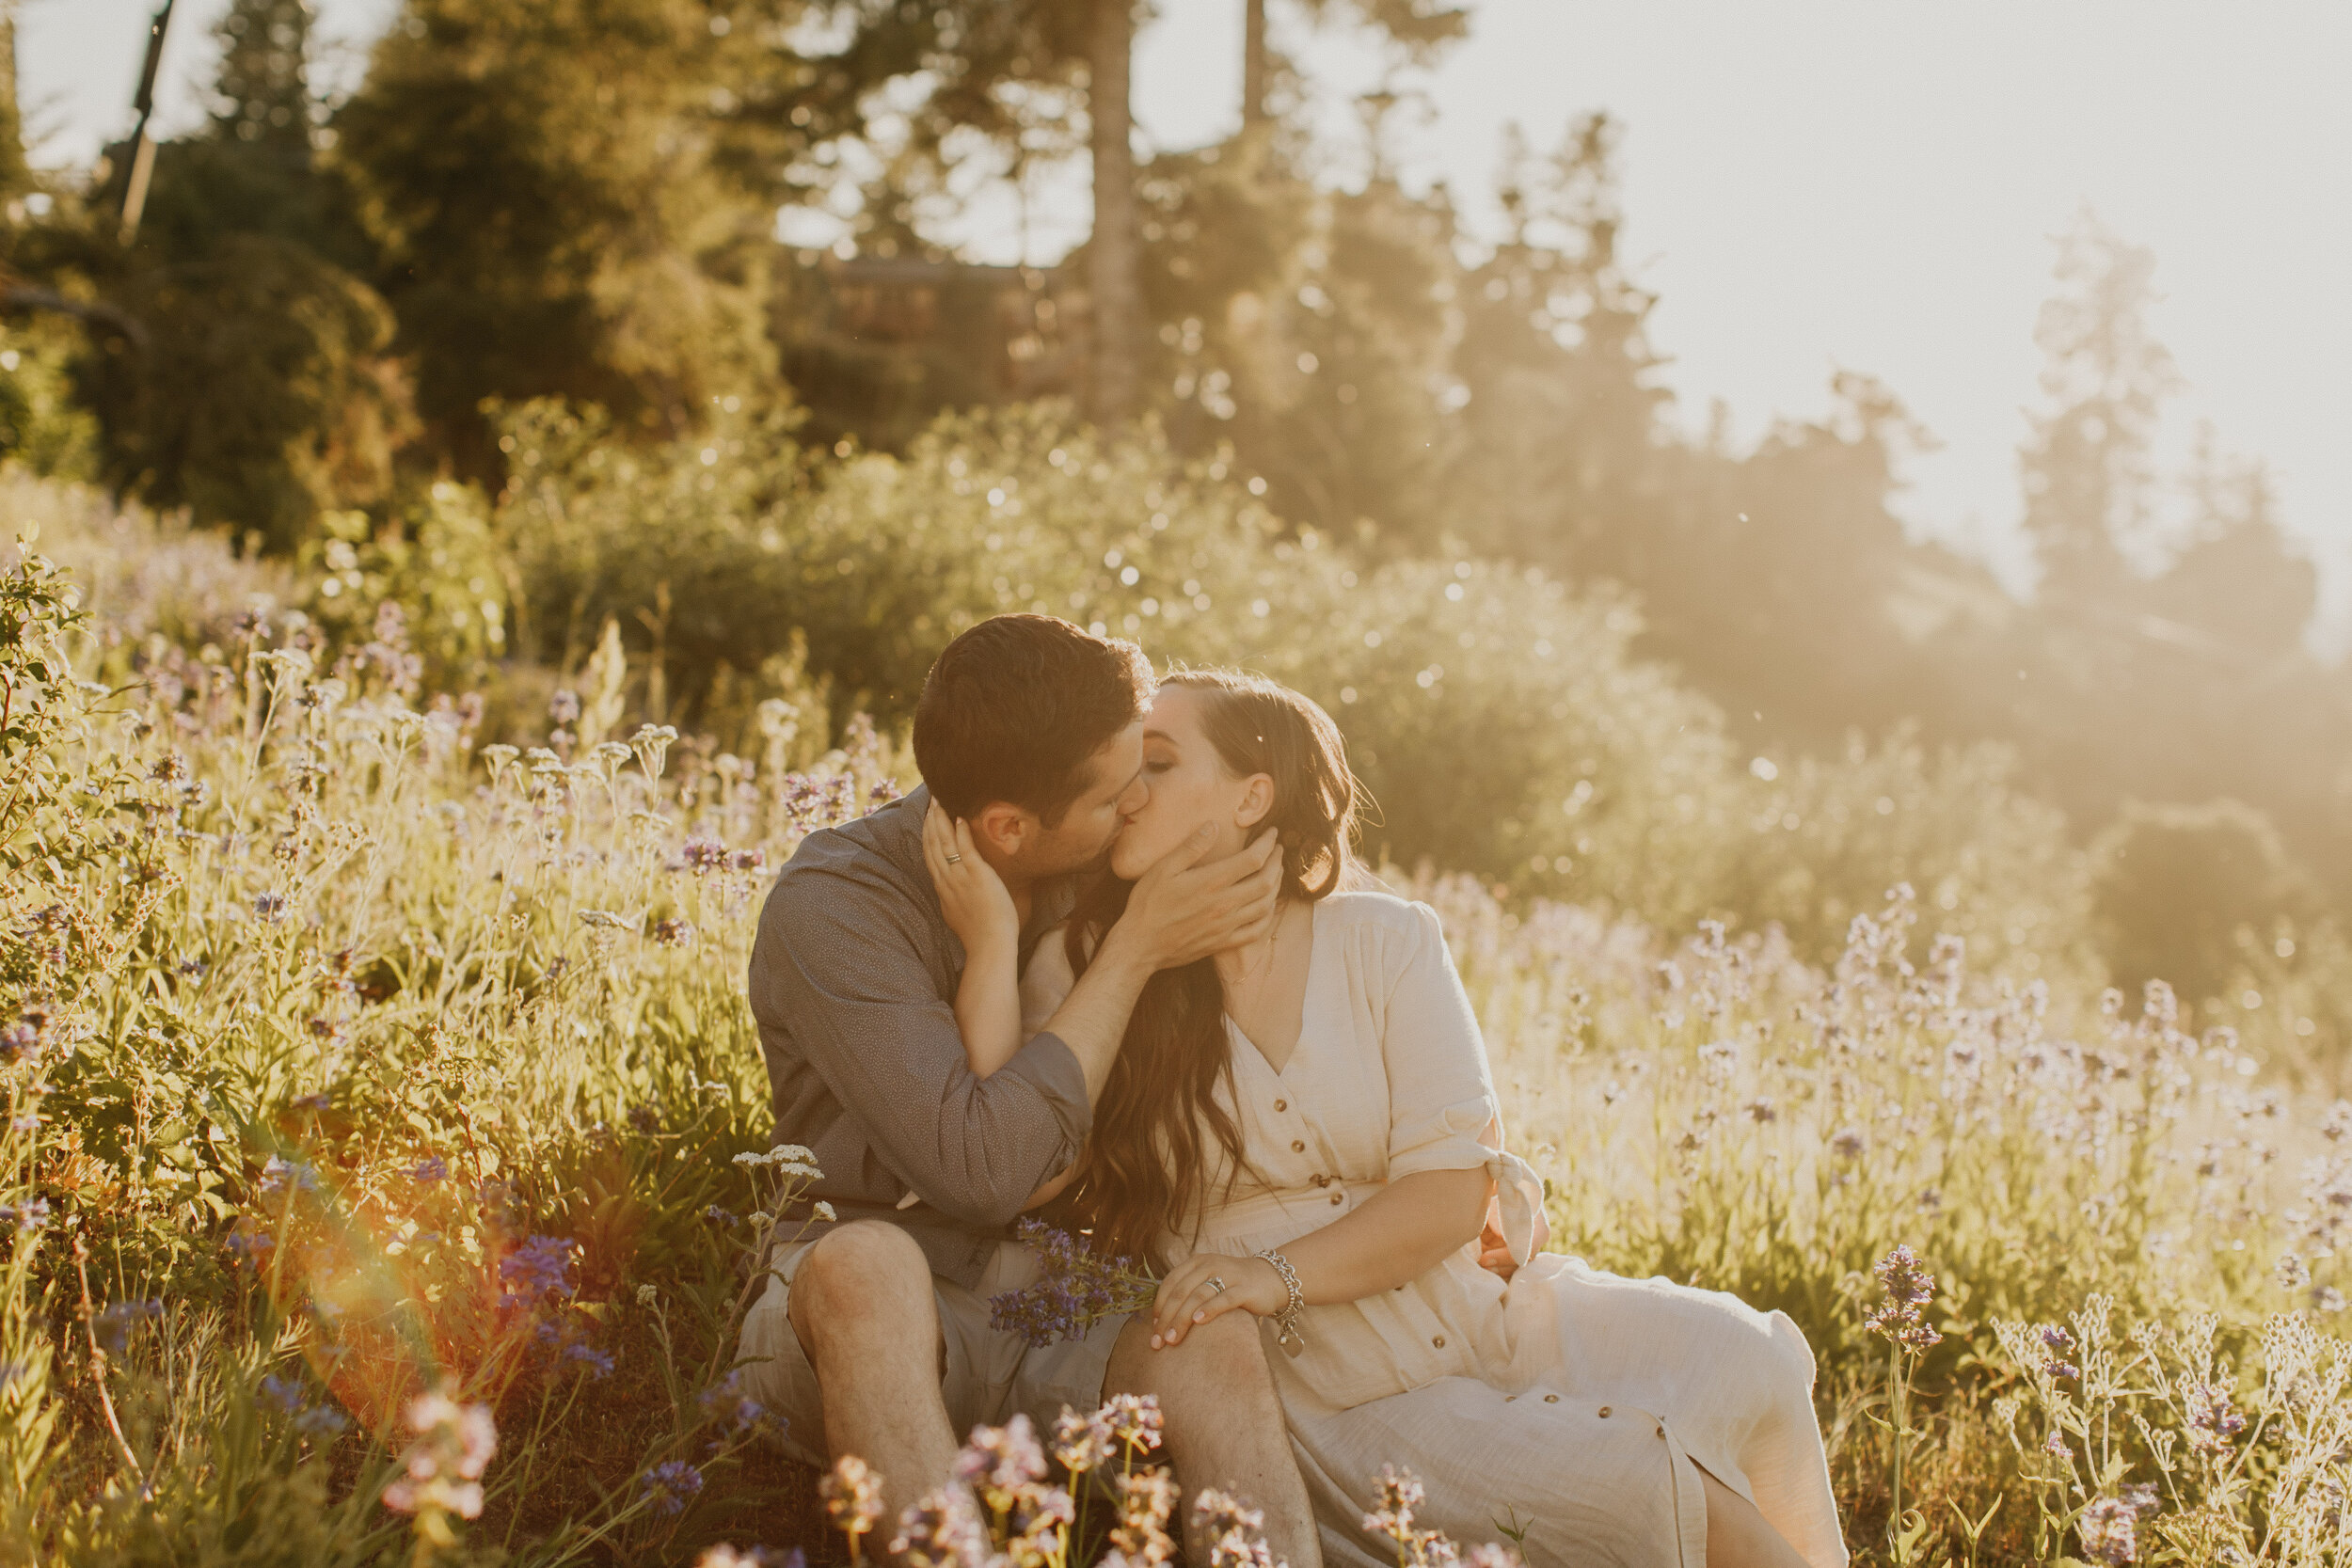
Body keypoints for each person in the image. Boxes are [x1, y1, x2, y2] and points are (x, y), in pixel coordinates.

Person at [977, 668, 1849, 1568]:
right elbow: (1020, 1169)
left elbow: (1449, 1191)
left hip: (1472, 1314)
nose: (1129, 791)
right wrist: (1123, 950)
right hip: (1326, 1382)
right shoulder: (1082, 963)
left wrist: (1272, 1270)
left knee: (1749, 1357)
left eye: (1156, 762)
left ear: (1253, 796)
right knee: (1635, 1488)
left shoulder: (1386, 941)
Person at [736, 615, 1322, 1567]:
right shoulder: (838, 903)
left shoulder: (1094, 863)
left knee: (1209, 1339)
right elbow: (981, 1167)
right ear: (1009, 825)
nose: (1137, 800)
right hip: (862, 1338)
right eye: (1115, 789)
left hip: (1048, 1314)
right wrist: (1132, 952)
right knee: (865, 1260)